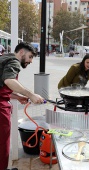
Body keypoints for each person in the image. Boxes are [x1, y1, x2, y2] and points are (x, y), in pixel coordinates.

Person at [0, 42, 44, 170]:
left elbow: (3, 86)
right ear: (21, 52)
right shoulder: (14, 61)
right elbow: (9, 80)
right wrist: (31, 94)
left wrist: (18, 97)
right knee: (2, 143)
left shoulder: (4, 57)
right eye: (30, 56)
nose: (30, 61)